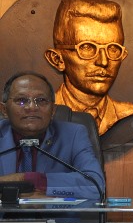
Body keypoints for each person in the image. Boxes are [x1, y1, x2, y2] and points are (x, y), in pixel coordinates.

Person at [44, 0, 133, 135]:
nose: (103, 62)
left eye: (113, 49)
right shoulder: (43, 112)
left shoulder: (127, 113)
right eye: (87, 48)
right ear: (58, 59)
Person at [0, 71, 104, 199]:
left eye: (41, 100)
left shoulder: (73, 135)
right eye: (21, 100)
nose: (32, 107)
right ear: (4, 110)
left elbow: (96, 185)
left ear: (53, 110)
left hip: (55, 213)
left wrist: (30, 179)